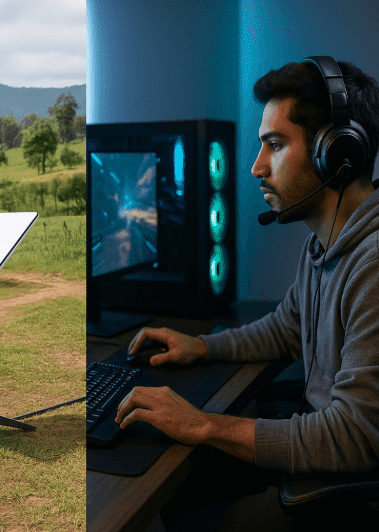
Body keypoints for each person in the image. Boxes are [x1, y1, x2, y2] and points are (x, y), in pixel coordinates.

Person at [115, 58, 379, 530]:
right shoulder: (327, 242)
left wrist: (203, 423)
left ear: (337, 153)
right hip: (311, 458)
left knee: (174, 506)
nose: (257, 168)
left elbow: (354, 436)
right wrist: (200, 346)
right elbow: (287, 329)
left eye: (274, 146)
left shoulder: (373, 264)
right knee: (177, 479)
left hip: (341, 490)